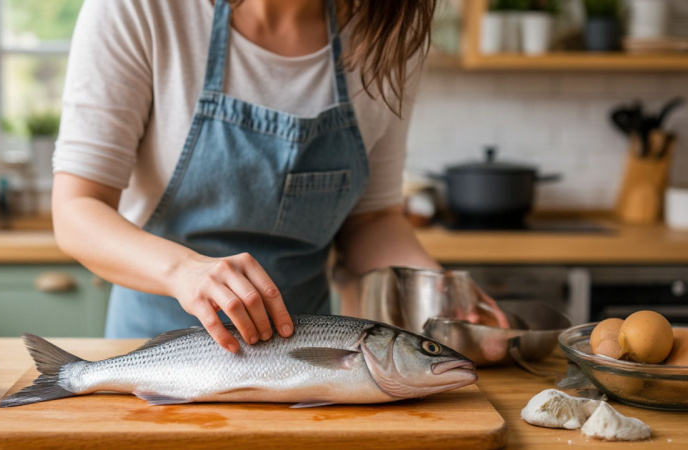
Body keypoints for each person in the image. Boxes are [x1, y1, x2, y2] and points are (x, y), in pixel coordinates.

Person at [52, 0, 507, 352]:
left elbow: (371, 219)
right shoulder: (142, 9)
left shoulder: (383, 35)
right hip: (156, 347)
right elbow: (76, 209)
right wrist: (185, 272)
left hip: (308, 358)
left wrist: (442, 294)